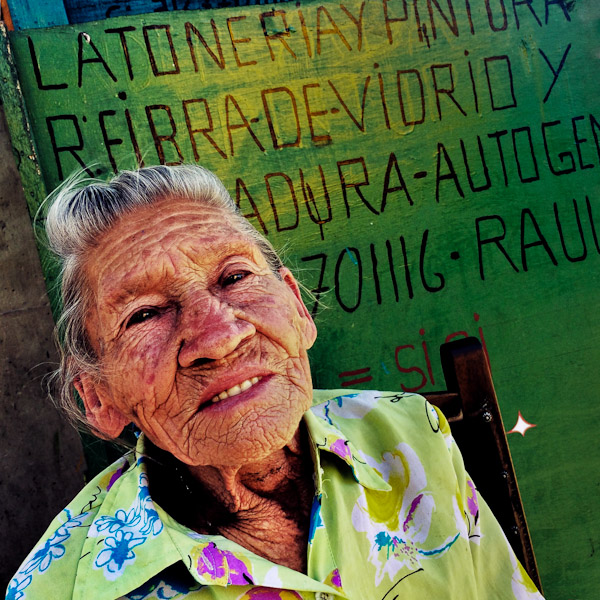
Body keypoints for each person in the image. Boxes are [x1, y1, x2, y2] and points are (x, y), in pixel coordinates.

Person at [6, 165, 543, 600]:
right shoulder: (62, 591)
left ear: (296, 305)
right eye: (145, 314)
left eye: (235, 277)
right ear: (98, 398)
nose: (219, 336)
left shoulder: (410, 432)